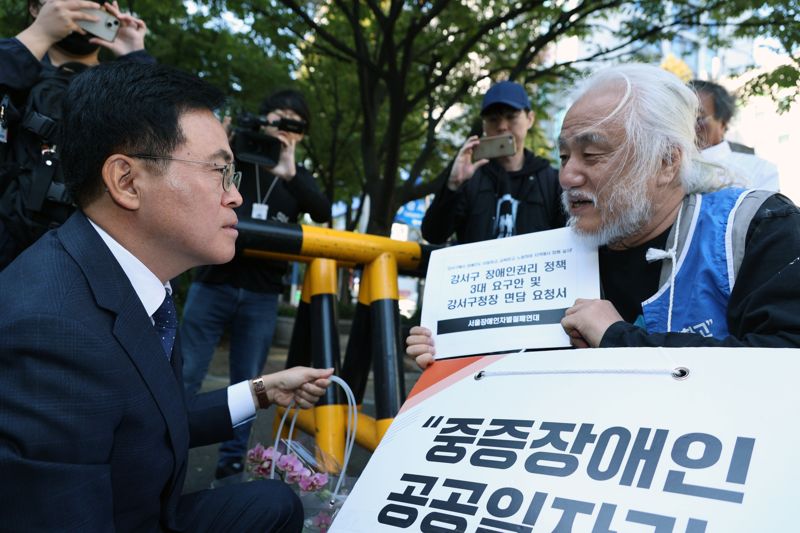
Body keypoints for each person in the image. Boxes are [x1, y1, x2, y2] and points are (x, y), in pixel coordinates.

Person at [0, 62, 333, 532]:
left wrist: (262, 391)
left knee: (276, 503)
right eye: (219, 171)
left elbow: (141, 417)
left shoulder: (133, 272)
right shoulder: (50, 332)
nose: (234, 196)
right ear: (128, 181)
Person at [407, 63, 800, 367]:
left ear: (666, 161)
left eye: (591, 154)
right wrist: (453, 355)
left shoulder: (757, 230)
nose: (566, 176)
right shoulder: (552, 256)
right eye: (563, 156)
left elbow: (783, 366)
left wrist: (619, 339)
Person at [180, 89, 332, 480]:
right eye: (278, 119)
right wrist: (224, 144)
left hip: (263, 293)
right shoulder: (237, 157)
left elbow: (322, 210)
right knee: (186, 372)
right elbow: (199, 185)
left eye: (294, 125)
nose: (285, 130)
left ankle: (231, 461)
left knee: (250, 384)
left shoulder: (299, 177)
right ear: (262, 120)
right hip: (215, 281)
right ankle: (169, 449)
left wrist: (291, 171)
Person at [0, 0, 153, 269]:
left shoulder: (125, 82)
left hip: (90, 262)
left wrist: (136, 59)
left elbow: (162, 147)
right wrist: (38, 35)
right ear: (36, 8)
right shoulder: (13, 60)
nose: (81, 7)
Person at [421, 80, 565, 245]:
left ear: (530, 119)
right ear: (484, 125)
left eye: (511, 117)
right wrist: (453, 185)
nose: (502, 126)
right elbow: (433, 235)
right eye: (493, 119)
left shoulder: (552, 180)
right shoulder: (470, 178)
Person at [690, 79, 780, 191]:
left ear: (723, 123)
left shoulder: (760, 170)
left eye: (698, 118)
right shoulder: (668, 171)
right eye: (682, 118)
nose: (689, 126)